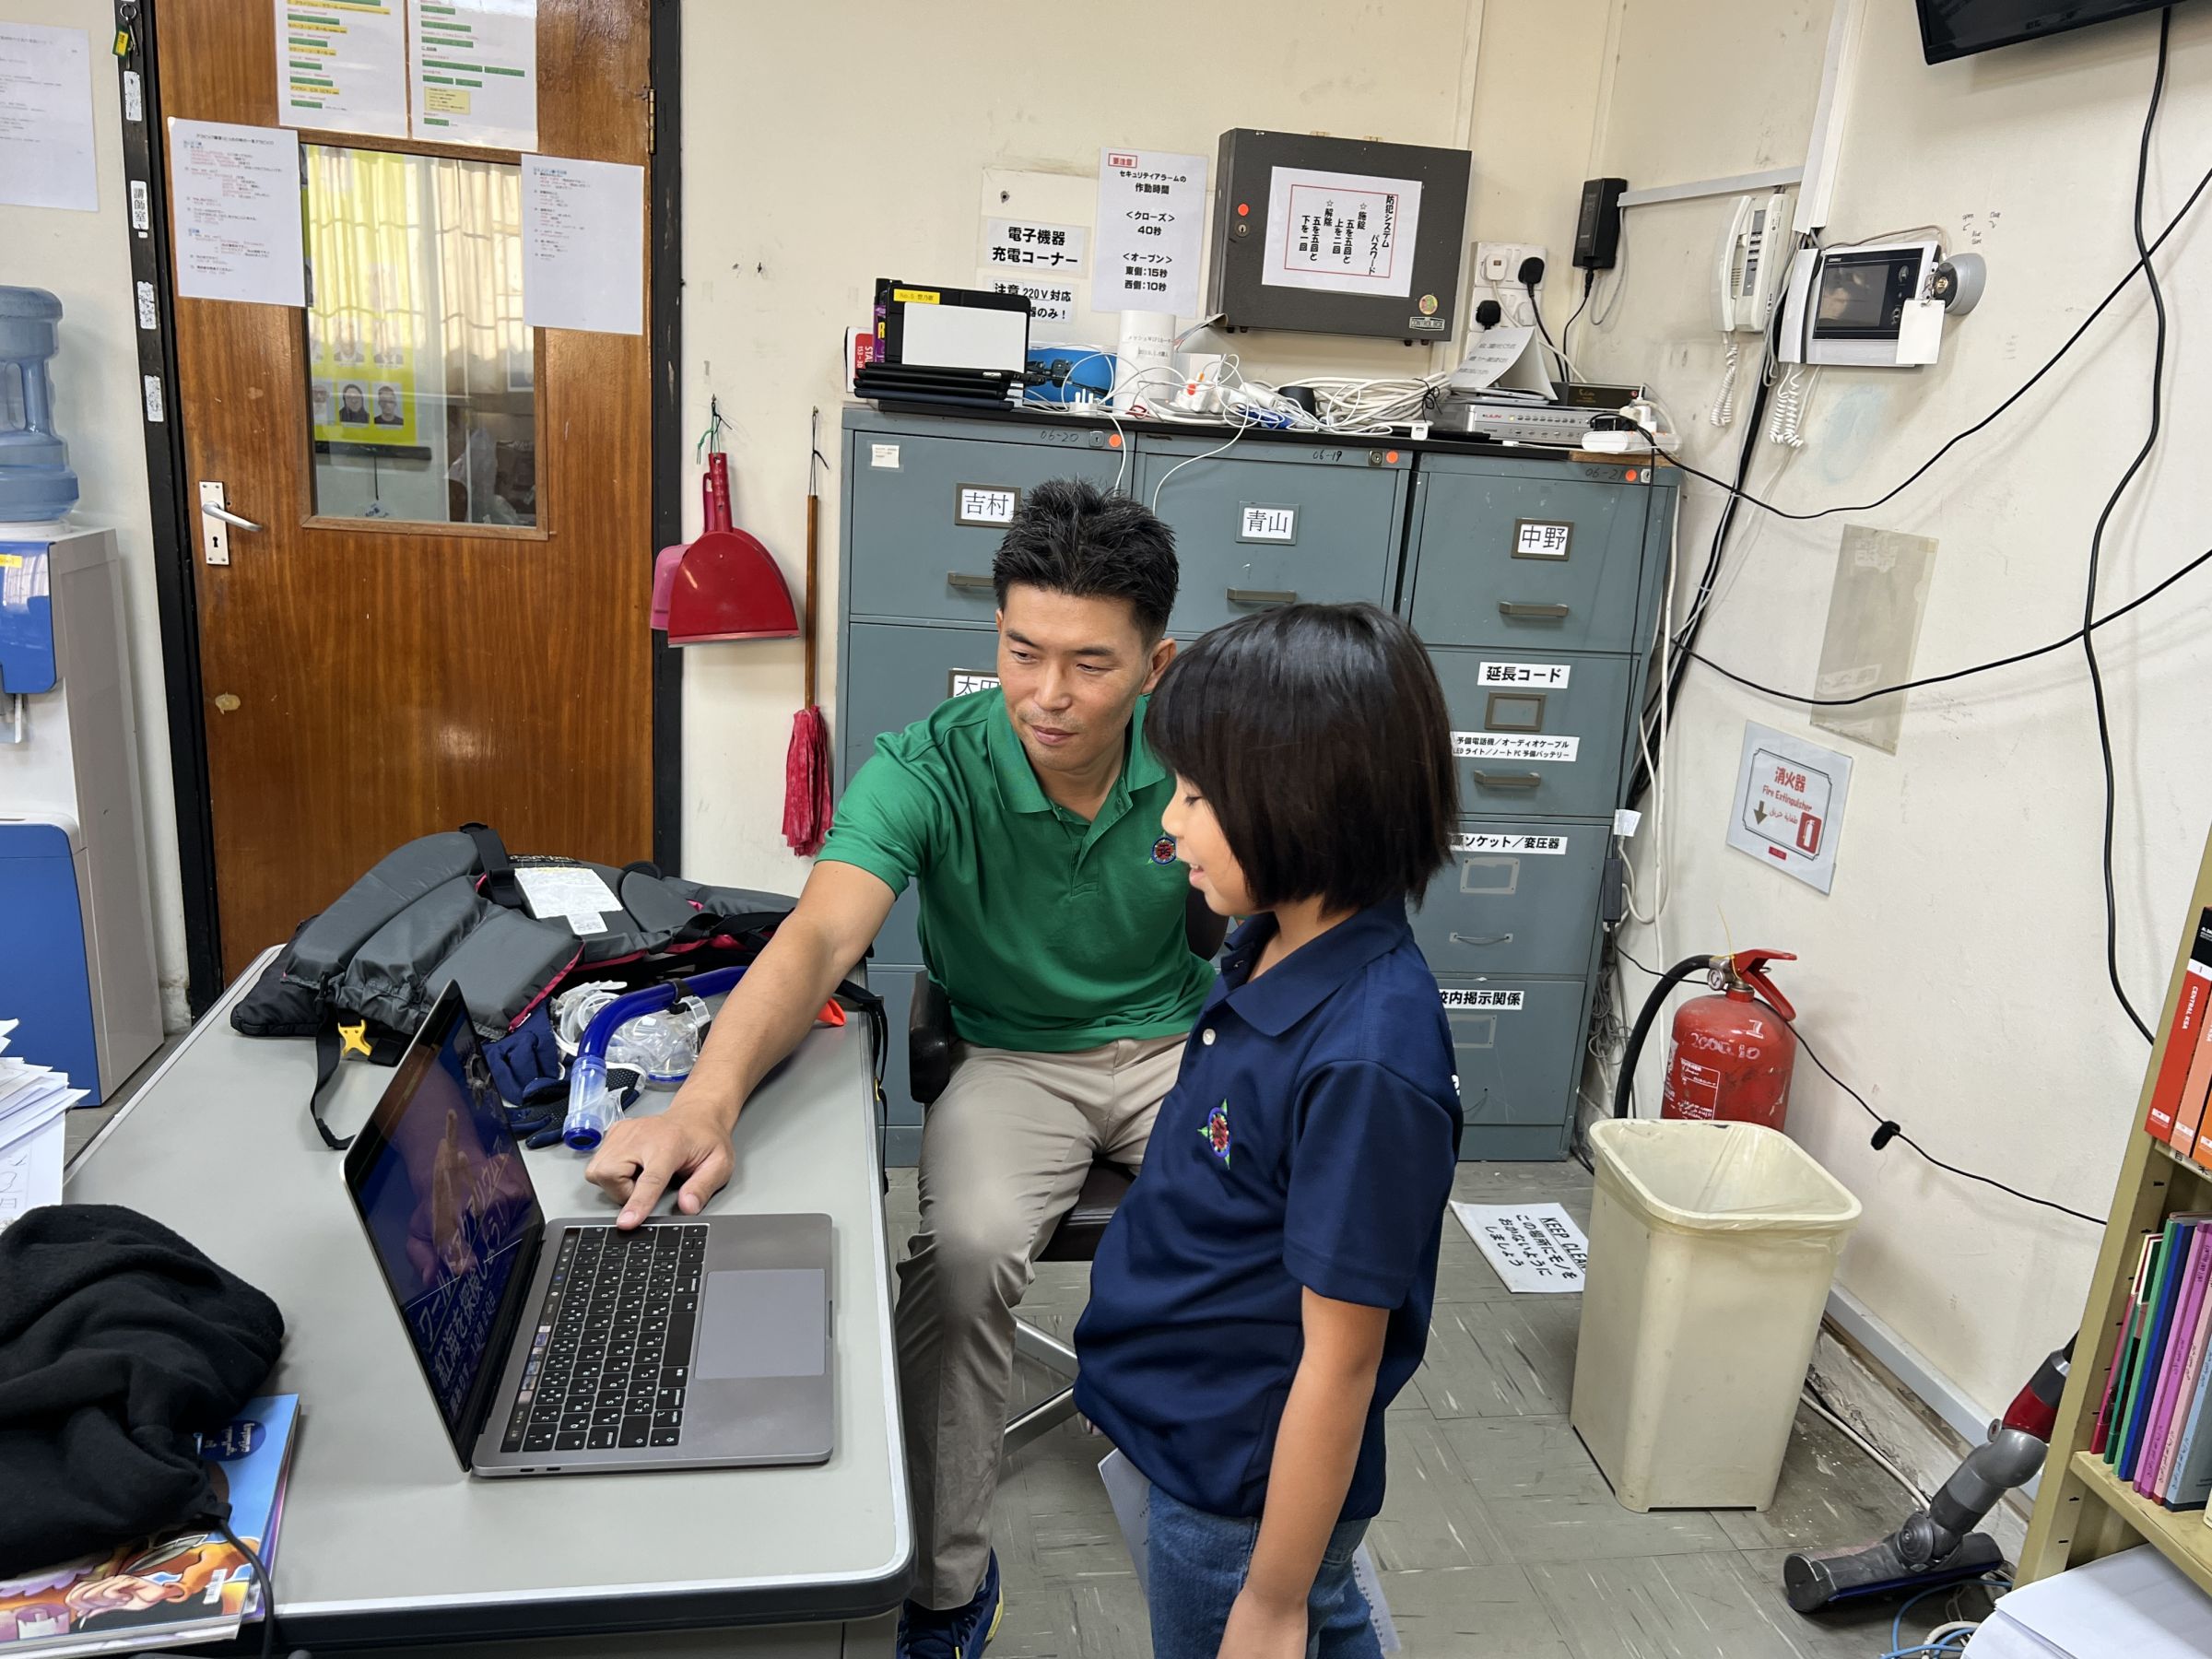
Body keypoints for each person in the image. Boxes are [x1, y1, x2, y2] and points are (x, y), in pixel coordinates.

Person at [584, 477, 1212, 1659]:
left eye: (1090, 663)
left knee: (1276, 1230)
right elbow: (819, 934)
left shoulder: (1199, 756)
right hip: (1011, 1056)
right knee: (966, 1259)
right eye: (1024, 653)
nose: (1049, 695)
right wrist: (702, 1103)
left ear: (1155, 663)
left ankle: (1244, 1526)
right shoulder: (928, 767)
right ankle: (947, 1584)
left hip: (1178, 1043)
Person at [1073, 603, 1463, 1659]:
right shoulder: (1270, 945)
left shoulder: (1368, 1061)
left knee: (1283, 1632)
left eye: (1198, 796)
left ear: (1306, 803)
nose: (1169, 825)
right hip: (1182, 1429)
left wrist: (1275, 1596)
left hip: (1234, 1496)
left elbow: (1341, 1365)